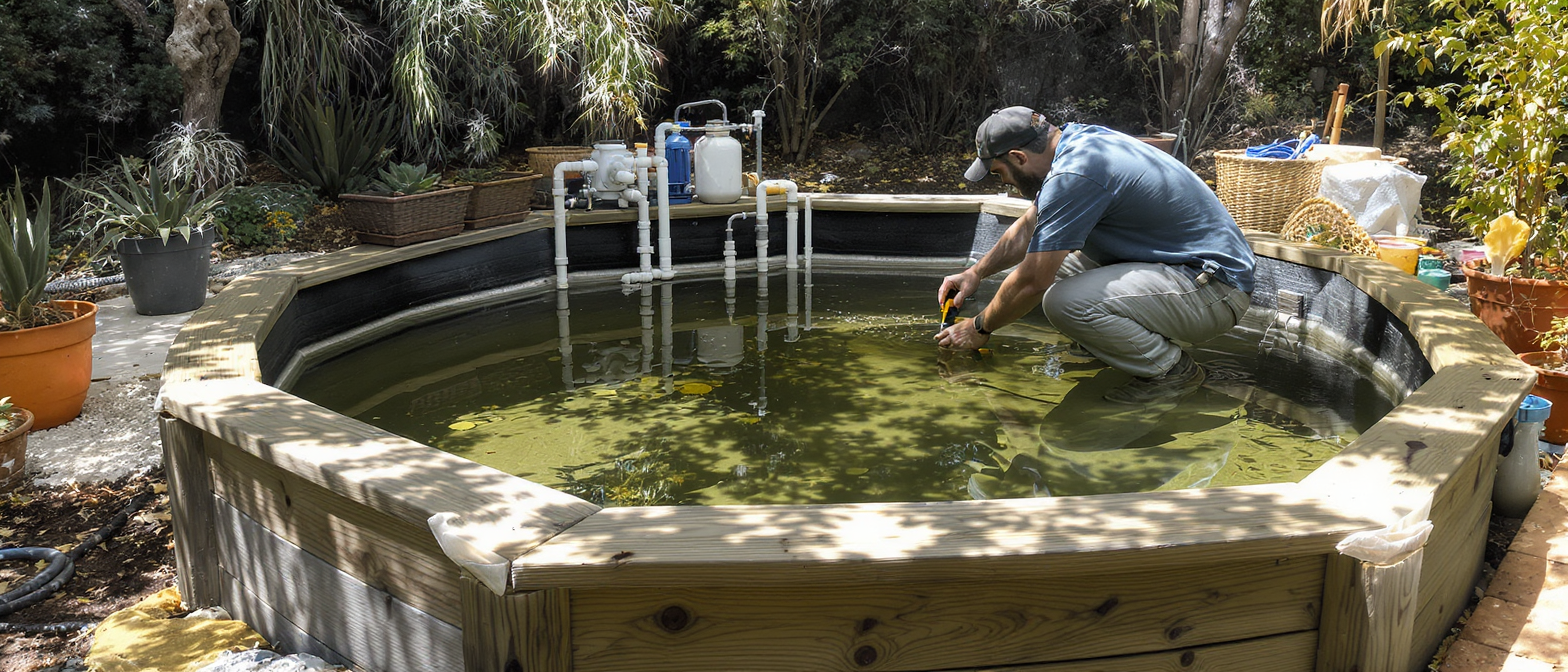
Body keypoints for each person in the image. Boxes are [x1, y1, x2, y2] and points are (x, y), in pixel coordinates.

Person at [935, 106, 1255, 403]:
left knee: (1061, 299)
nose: (1003, 181)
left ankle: (1172, 372)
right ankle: (1112, 348)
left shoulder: (1074, 175)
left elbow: (1033, 280)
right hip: (1186, 271)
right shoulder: (1079, 141)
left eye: (998, 172)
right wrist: (976, 272)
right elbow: (1030, 226)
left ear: (1018, 157)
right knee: (1056, 273)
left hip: (1215, 290)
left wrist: (978, 327)